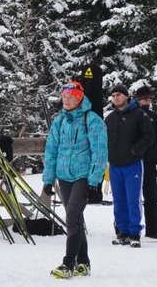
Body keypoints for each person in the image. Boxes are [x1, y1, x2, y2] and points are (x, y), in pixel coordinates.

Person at [43, 81, 108, 279]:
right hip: (63, 176)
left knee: (71, 217)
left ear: (79, 99)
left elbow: (99, 152)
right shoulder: (60, 121)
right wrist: (48, 179)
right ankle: (84, 263)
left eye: (70, 97)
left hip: (83, 176)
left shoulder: (93, 120)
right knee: (76, 219)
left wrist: (94, 181)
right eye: (64, 97)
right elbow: (51, 151)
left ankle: (68, 263)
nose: (66, 100)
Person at [104, 83, 155, 246]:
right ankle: (122, 232)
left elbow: (149, 136)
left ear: (126, 96)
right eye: (113, 96)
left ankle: (134, 233)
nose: (116, 98)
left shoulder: (139, 114)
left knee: (133, 200)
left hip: (132, 164)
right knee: (118, 200)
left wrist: (135, 150)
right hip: (114, 164)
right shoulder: (110, 118)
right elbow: (104, 139)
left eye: (119, 95)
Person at [134, 85, 157, 239]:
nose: (147, 102)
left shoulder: (153, 116)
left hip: (150, 161)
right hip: (134, 161)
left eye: (149, 99)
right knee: (132, 197)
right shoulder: (133, 115)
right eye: (144, 99)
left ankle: (153, 228)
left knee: (151, 197)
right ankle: (125, 227)